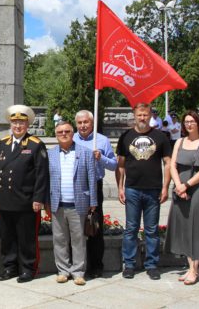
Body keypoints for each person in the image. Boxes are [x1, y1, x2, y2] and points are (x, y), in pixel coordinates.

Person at [0, 105, 49, 284]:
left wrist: (38, 198)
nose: (17, 126)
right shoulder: (3, 143)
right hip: (6, 201)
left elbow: (42, 174)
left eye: (21, 122)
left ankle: (28, 269)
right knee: (8, 237)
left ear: (27, 124)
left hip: (26, 201)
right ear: (10, 124)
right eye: (14, 122)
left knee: (26, 238)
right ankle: (10, 267)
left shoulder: (35, 145)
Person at [116, 103, 172, 280]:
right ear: (134, 115)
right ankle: (130, 264)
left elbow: (168, 163)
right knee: (131, 229)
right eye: (139, 115)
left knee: (151, 229)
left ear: (150, 116)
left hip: (153, 189)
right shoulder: (126, 136)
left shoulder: (160, 137)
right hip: (132, 189)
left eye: (145, 115)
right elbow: (121, 165)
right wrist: (120, 187)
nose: (142, 118)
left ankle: (152, 264)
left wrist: (165, 187)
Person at [164, 111, 199, 285]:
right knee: (185, 228)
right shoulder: (179, 142)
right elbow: (172, 165)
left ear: (198, 123)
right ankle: (190, 267)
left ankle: (195, 270)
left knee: (197, 228)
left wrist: (186, 185)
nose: (189, 124)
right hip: (180, 189)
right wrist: (179, 185)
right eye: (186, 122)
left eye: (192, 122)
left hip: (197, 190)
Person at [47, 120, 97, 285]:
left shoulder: (85, 152)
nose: (63, 134)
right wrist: (46, 201)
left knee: (79, 240)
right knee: (60, 239)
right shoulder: (50, 154)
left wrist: (93, 201)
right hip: (57, 203)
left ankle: (78, 272)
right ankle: (63, 271)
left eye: (67, 131)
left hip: (79, 204)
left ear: (72, 132)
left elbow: (92, 178)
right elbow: (46, 179)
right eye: (60, 132)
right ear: (56, 135)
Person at [73, 110, 117, 278]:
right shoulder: (72, 139)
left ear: (92, 123)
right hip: (76, 186)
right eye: (80, 123)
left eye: (86, 122)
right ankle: (77, 265)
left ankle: (96, 265)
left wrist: (101, 158)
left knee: (94, 226)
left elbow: (113, 165)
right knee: (75, 226)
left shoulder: (102, 140)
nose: (83, 125)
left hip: (93, 186)